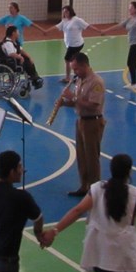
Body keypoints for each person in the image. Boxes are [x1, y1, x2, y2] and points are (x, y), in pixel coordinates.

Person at [58, 52, 106, 197]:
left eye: (76, 69)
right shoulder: (80, 80)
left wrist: (72, 97)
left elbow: (93, 105)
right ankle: (84, 186)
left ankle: (95, 190)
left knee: (92, 158)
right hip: (81, 120)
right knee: (81, 156)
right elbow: (78, 102)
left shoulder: (96, 82)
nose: (74, 72)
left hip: (93, 121)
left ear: (85, 66)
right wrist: (64, 103)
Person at [48, 5, 100, 84]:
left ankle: (68, 78)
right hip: (70, 44)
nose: (65, 13)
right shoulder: (64, 21)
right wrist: (46, 31)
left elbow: (88, 26)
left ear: (70, 11)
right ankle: (81, 75)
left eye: (67, 11)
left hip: (76, 44)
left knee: (67, 59)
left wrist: (100, 31)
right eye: (64, 12)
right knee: (76, 61)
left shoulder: (77, 20)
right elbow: (56, 26)